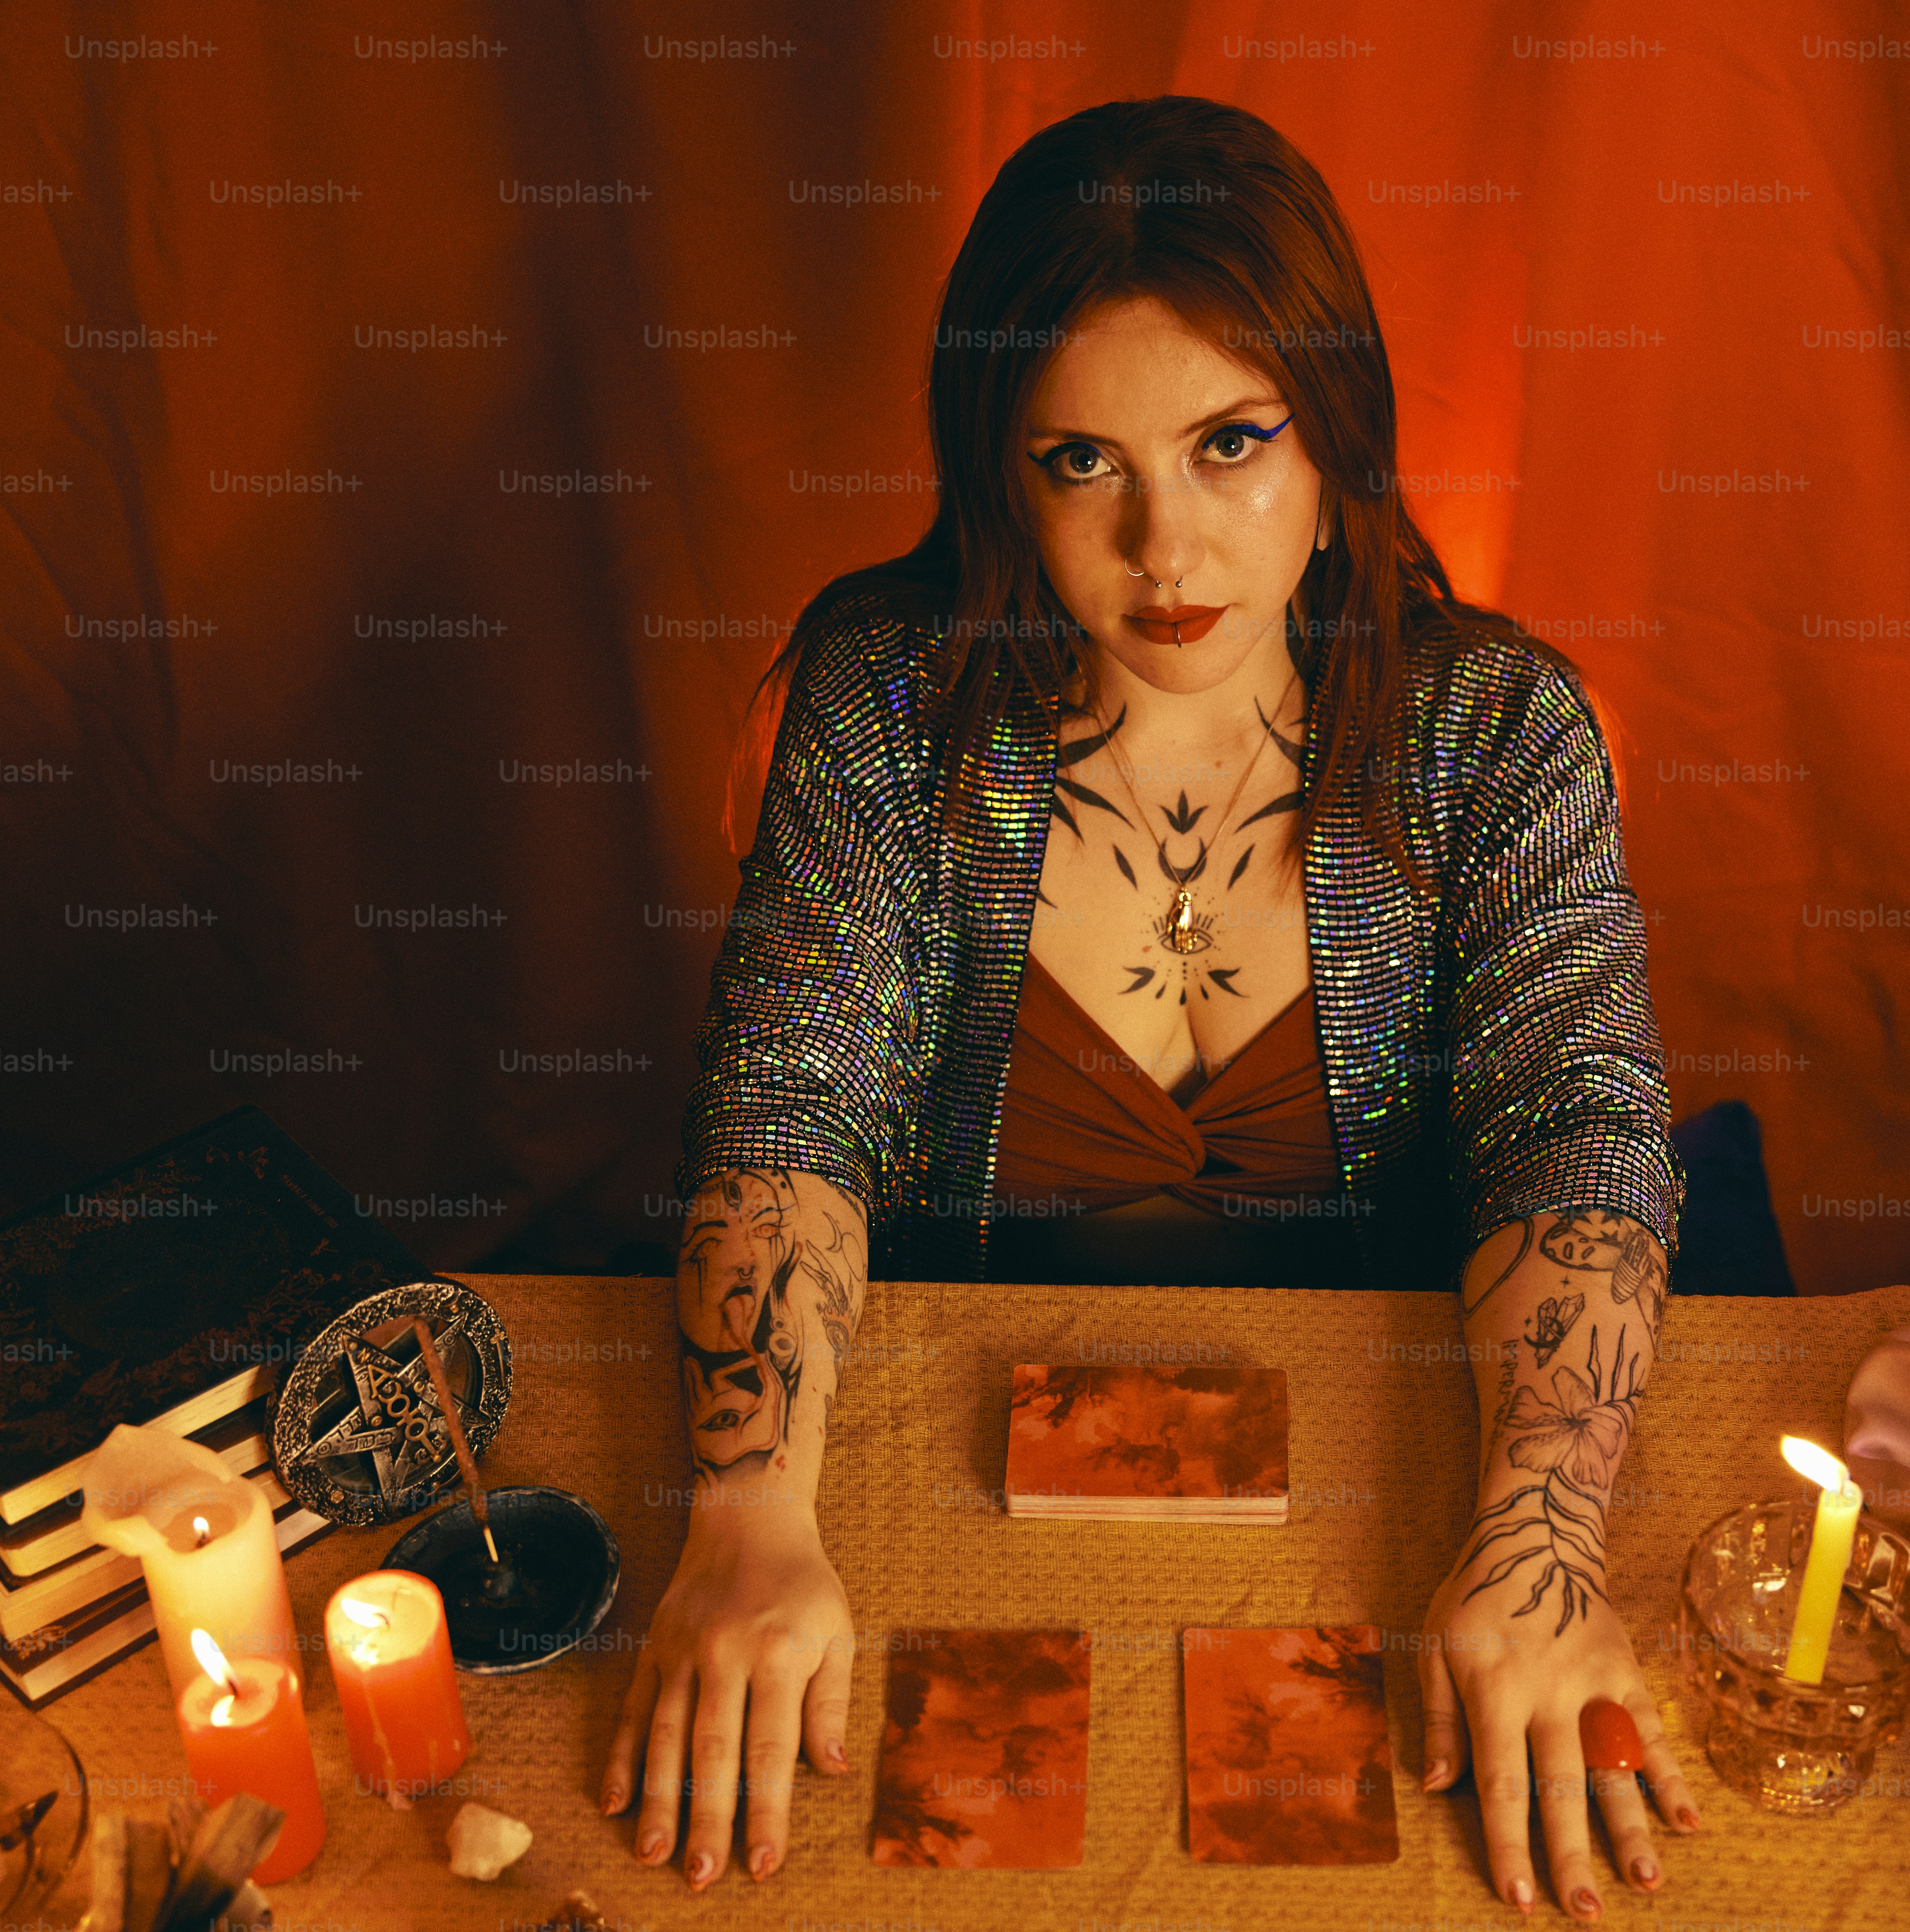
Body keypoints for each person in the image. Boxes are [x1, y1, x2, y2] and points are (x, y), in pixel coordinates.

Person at [601, 95, 1700, 1919]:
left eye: (1230, 443)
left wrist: (1538, 1542)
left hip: (1375, 1458)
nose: (1165, 545)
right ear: (997, 473)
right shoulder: (887, 704)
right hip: (947, 1453)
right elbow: (792, 1107)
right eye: (1080, 463)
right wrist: (746, 1519)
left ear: (1335, 433)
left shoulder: (1497, 732)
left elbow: (1574, 1130)